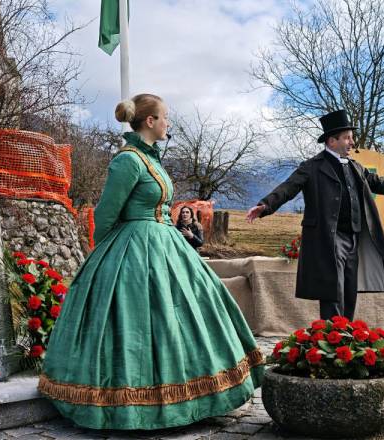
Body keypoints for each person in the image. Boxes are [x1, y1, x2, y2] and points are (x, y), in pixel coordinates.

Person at [39, 94, 263, 430]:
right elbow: (106, 214)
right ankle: (134, 404)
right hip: (133, 247)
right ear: (150, 121)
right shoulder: (127, 161)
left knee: (186, 311)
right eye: (165, 117)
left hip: (167, 244)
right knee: (137, 321)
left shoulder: (151, 160)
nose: (168, 123)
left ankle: (193, 396)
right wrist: (104, 259)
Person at [246, 110, 384, 320]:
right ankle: (332, 334)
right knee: (333, 287)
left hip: (354, 236)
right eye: (347, 137)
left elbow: (382, 183)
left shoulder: (356, 167)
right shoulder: (312, 167)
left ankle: (346, 333)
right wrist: (265, 205)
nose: (352, 142)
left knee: (349, 286)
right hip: (329, 236)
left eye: (351, 137)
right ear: (332, 141)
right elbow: (288, 187)